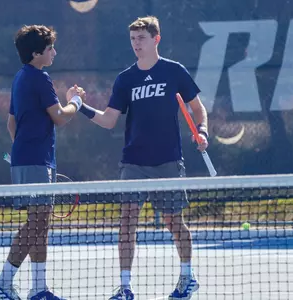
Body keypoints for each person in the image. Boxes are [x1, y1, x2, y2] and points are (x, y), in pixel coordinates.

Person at [75, 16, 208, 300]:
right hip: (133, 162)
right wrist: (81, 107)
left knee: (174, 223)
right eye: (133, 39)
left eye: (142, 38)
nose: (136, 44)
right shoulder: (126, 79)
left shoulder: (174, 71)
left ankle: (187, 277)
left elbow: (198, 108)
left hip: (168, 161)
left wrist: (202, 131)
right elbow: (109, 120)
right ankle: (125, 287)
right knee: (126, 223)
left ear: (156, 39)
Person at [0, 24, 84, 300]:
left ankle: (39, 289)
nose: (54, 51)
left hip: (32, 159)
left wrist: (24, 152)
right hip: (36, 160)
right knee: (38, 224)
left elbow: (11, 123)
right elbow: (61, 117)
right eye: (50, 48)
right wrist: (75, 101)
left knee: (40, 223)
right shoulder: (40, 78)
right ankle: (1, 283)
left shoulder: (20, 78)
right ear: (36, 53)